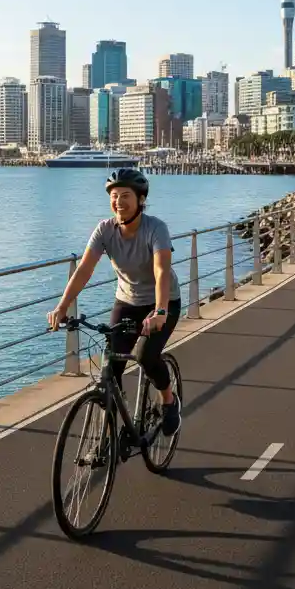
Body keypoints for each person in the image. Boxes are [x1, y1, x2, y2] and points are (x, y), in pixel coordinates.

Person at [47, 167, 181, 436]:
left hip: (162, 301)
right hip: (127, 301)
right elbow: (84, 269)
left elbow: (161, 270)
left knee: (145, 355)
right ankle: (114, 428)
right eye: (114, 195)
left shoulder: (156, 228)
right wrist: (62, 306)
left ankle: (169, 400)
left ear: (141, 199)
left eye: (125, 195)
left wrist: (161, 311)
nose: (118, 201)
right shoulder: (104, 230)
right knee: (111, 365)